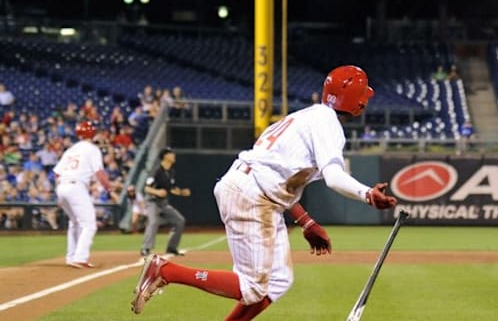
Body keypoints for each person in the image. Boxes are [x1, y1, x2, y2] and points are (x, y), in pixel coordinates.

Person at [131, 65, 397, 319]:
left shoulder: (304, 117)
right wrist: (367, 194)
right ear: (356, 100)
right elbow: (334, 177)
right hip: (252, 195)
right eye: (364, 95)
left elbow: (276, 178)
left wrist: (306, 221)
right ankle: (167, 270)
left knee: (278, 280)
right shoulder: (327, 123)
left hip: (253, 190)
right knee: (252, 289)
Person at [53, 121, 115, 268]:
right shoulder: (92, 149)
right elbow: (99, 172)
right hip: (76, 186)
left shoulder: (71, 150)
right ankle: (80, 257)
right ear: (92, 133)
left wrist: (60, 192)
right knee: (89, 224)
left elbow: (56, 173)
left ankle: (71, 256)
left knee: (74, 222)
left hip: (62, 185)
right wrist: (110, 189)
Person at [140, 147, 191, 257]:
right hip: (152, 201)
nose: (173, 155)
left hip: (163, 203)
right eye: (171, 154)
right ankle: (145, 248)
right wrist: (157, 192)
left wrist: (182, 192)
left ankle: (171, 248)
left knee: (179, 221)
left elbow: (172, 189)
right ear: (165, 156)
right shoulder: (156, 170)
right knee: (153, 222)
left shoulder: (171, 171)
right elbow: (147, 188)